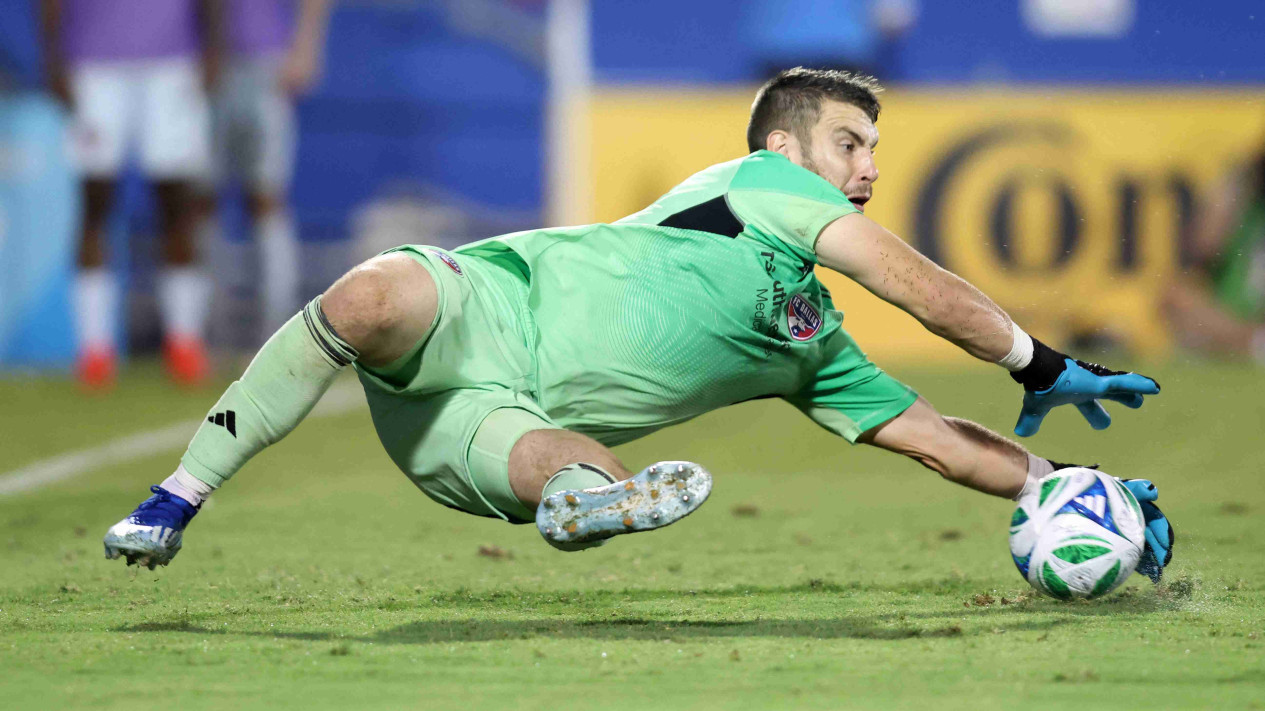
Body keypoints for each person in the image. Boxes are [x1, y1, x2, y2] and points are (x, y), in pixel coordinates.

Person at [103, 68, 1173, 583]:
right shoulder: (754, 185)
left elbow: (939, 442)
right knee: (369, 295)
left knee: (563, 467)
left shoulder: (808, 341)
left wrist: (1072, 489)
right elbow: (916, 284)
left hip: (473, 430)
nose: (869, 169)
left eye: (874, 152)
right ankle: (178, 494)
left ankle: (590, 502)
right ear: (786, 150)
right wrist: (1038, 361)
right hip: (480, 306)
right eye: (850, 144)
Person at [40, 0, 220, 388]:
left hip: (173, 61)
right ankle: (94, 350)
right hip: (93, 62)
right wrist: (54, 60)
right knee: (94, 203)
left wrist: (213, 50)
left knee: (177, 204)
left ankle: (185, 342)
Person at [198, 0, 333, 343]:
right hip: (204, 62)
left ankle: (277, 329)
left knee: (266, 197)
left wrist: (306, 46)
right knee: (202, 200)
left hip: (266, 61)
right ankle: (208, 330)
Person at [1162, 139, 1265, 361]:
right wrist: (1238, 181)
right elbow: (1203, 245)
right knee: (1178, 297)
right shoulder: (1246, 196)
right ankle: (1254, 343)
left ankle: (1250, 344)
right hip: (1236, 316)